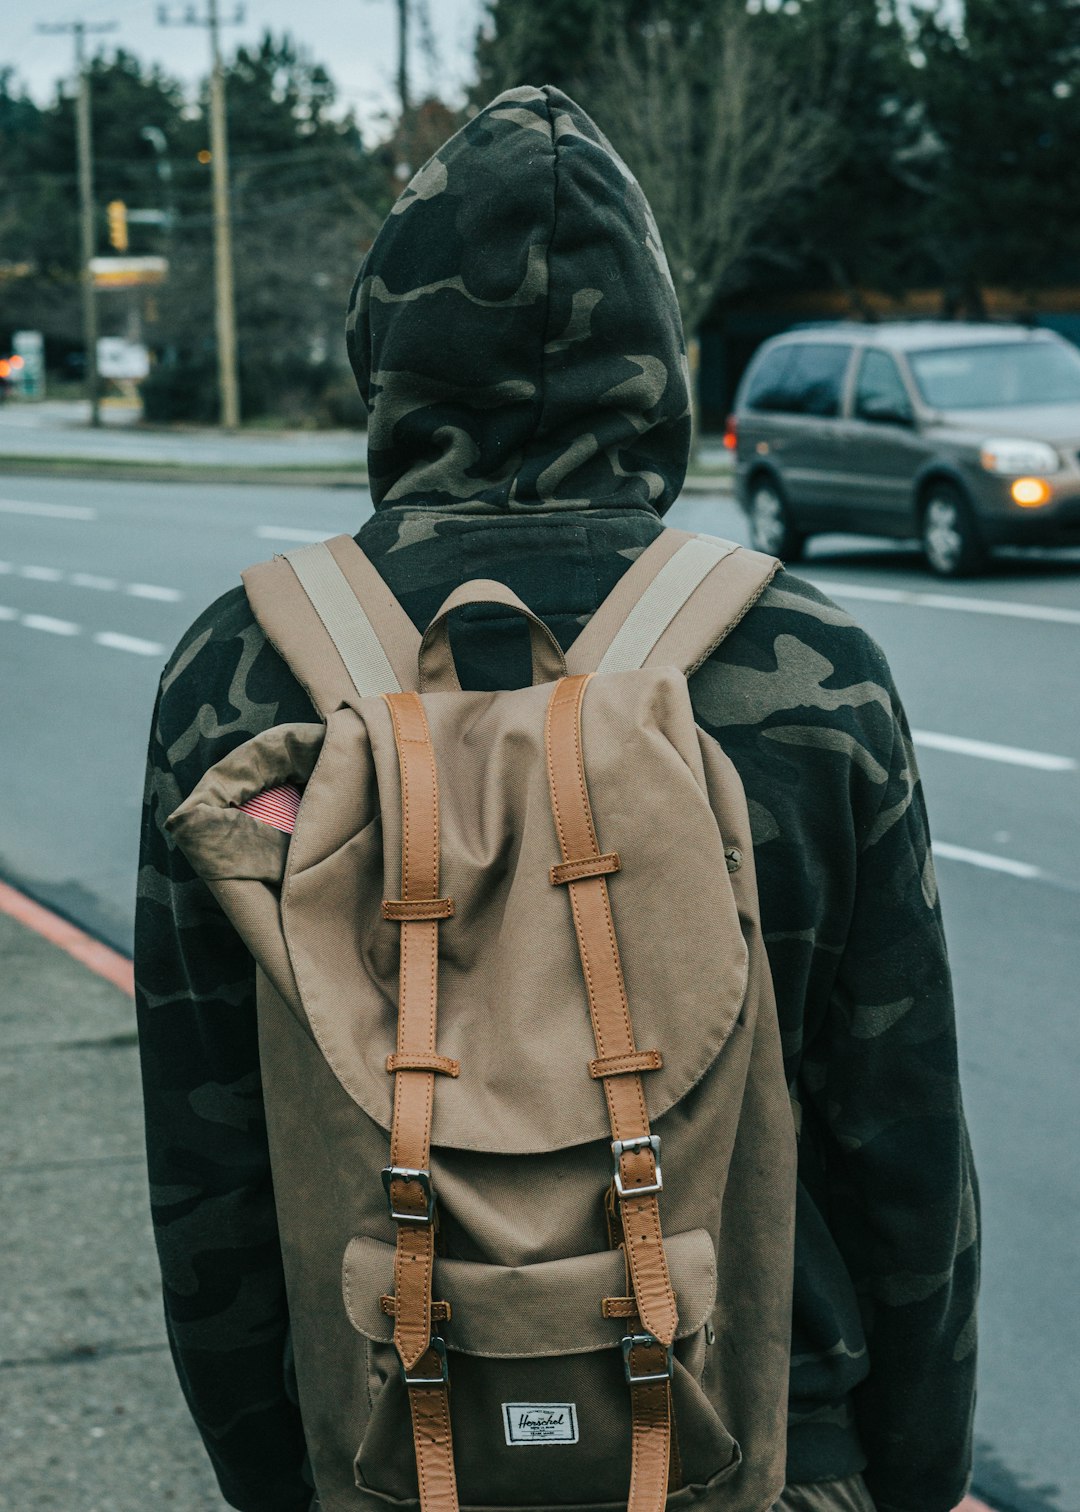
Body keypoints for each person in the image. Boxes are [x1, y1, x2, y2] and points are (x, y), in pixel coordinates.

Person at [135, 84, 978, 1512]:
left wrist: (284, 1477)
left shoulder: (243, 669)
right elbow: (901, 1140)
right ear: (658, 362)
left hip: (395, 1435)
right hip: (763, 1436)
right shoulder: (807, 664)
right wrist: (904, 1471)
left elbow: (209, 1162)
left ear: (385, 355)